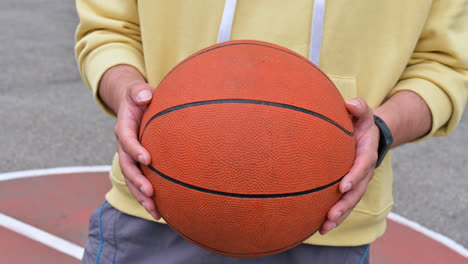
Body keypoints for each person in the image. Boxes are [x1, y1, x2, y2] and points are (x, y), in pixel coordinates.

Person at [75, 0, 468, 263]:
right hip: (160, 203)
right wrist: (129, 92)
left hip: (327, 218)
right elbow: (111, 29)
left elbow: (443, 65)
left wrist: (382, 129)